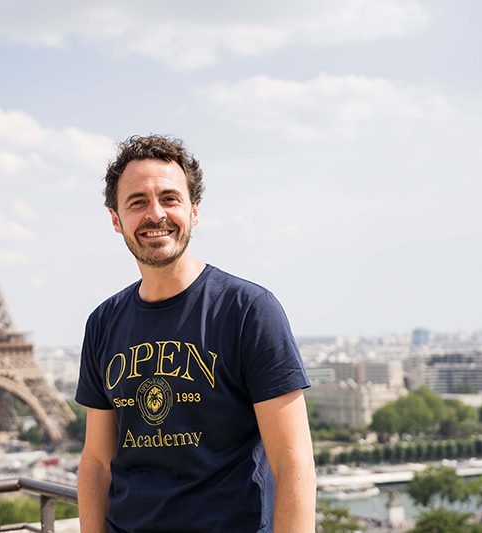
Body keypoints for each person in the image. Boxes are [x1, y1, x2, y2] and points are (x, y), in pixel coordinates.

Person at [75, 134, 316, 533]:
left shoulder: (249, 310)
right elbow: (97, 461)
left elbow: (293, 463)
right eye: (138, 202)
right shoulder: (102, 322)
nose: (156, 214)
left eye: (170, 199)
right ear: (116, 220)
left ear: (194, 211)